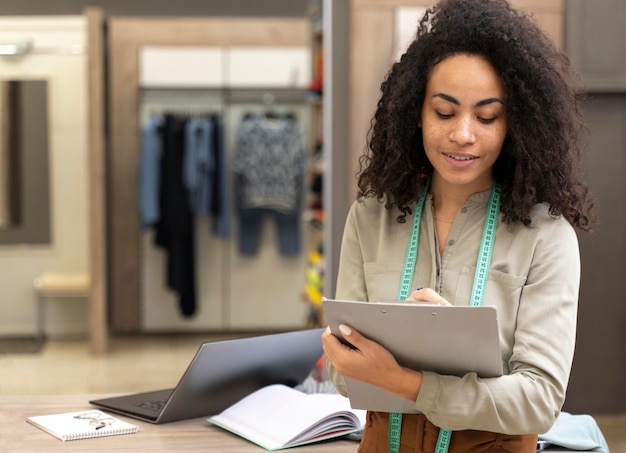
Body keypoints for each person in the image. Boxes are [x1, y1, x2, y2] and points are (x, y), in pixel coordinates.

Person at [321, 0, 595, 452]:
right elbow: (343, 373)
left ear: (515, 125)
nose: (463, 134)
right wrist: (349, 357)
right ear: (416, 113)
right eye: (445, 112)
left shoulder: (546, 236)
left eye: (487, 117)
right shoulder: (370, 217)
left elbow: (540, 400)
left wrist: (405, 380)